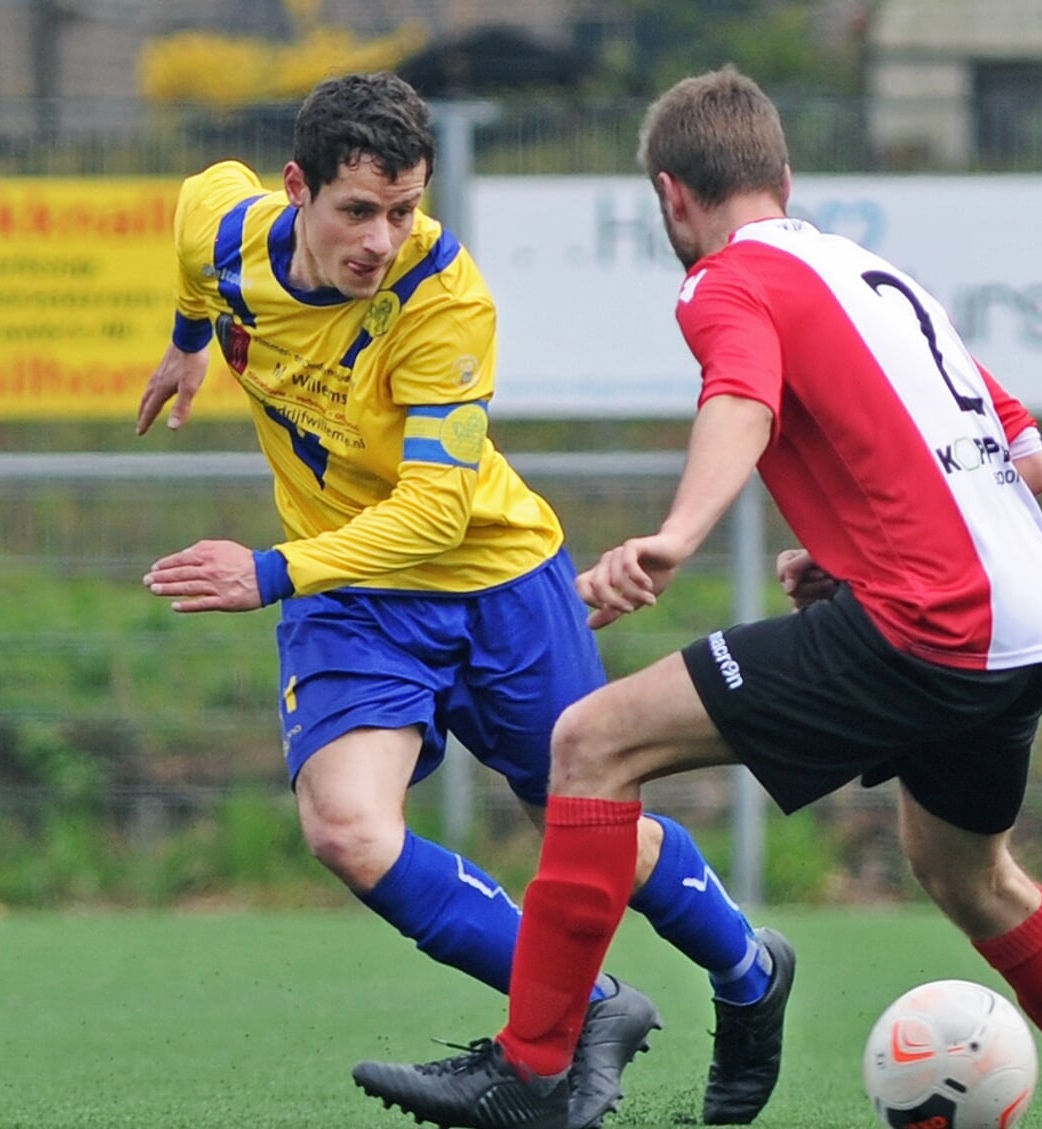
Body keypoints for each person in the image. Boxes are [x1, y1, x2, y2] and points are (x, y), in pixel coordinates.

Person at [352, 66, 1042, 1129]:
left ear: (671, 196)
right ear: (783, 175)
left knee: (590, 743)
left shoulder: (725, 281)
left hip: (930, 625)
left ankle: (532, 1071)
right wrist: (858, 553)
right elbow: (1020, 458)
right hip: (1023, 621)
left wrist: (674, 536)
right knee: (965, 871)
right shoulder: (866, 273)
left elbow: (741, 400)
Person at [135, 72, 793, 1129]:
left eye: (402, 211)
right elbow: (194, 222)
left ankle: (751, 971)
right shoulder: (224, 230)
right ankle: (583, 1014)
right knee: (348, 828)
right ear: (296, 190)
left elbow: (436, 512)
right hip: (352, 593)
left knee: (593, 836)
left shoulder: (443, 297)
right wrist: (185, 342)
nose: (380, 240)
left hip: (490, 581)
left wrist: (265, 572)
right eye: (356, 212)